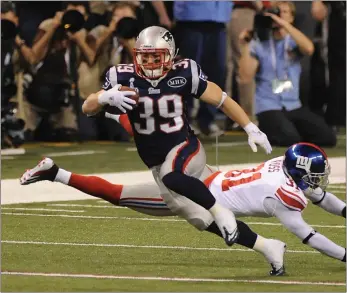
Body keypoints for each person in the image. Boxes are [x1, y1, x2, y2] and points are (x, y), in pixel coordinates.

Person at [81, 26, 272, 247]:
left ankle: (230, 208)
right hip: (155, 160)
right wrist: (104, 97)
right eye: (145, 56)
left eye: (156, 56)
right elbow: (88, 108)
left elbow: (221, 99)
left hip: (185, 147)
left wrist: (250, 127)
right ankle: (266, 247)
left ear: (171, 55)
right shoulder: (121, 76)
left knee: (174, 176)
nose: (151, 62)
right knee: (198, 217)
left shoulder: (184, 72)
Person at [20, 143, 346, 266]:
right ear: (298, 170)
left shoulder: (282, 168)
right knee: (119, 194)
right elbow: (308, 235)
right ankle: (56, 172)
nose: (319, 179)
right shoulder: (283, 195)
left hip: (207, 176)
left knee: (124, 189)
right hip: (193, 194)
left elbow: (317, 195)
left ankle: (55, 172)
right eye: (315, 173)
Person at [238, 1, 336, 147]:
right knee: (290, 138)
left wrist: (285, 25)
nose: (279, 15)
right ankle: (272, 130)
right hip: (268, 106)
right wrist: (246, 45)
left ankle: (285, 131)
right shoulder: (260, 43)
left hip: (293, 105)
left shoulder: (293, 41)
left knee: (327, 138)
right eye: (276, 12)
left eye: (284, 12)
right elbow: (245, 76)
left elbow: (309, 49)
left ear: (291, 18)